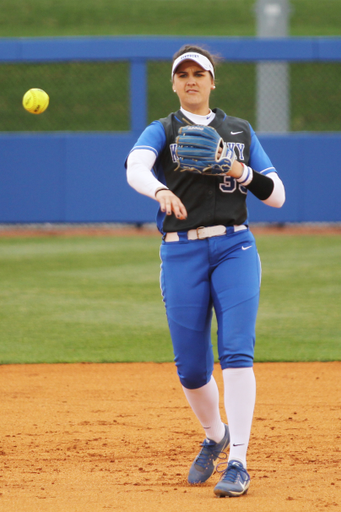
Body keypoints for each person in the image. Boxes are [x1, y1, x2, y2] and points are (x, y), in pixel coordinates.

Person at [126, 44, 285, 498]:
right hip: (180, 252)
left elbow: (277, 196)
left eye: (200, 73)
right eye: (184, 74)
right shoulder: (163, 130)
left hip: (235, 245)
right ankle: (216, 434)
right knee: (192, 369)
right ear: (174, 84)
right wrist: (159, 190)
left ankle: (239, 461)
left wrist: (238, 167)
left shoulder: (239, 130)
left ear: (213, 82)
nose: (192, 80)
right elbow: (135, 167)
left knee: (236, 351)